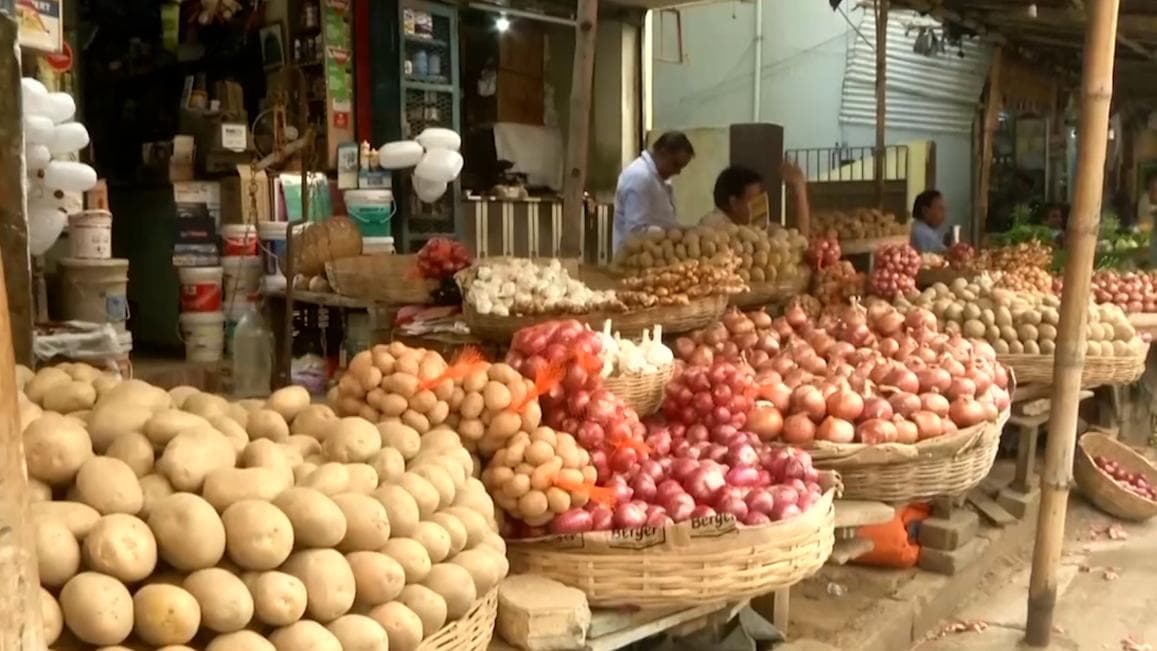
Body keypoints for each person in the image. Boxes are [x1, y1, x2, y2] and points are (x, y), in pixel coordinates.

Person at [612, 131, 695, 253]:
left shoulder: (660, 178)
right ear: (663, 152)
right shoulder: (639, 177)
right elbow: (636, 231)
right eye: (675, 164)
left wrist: (680, 231)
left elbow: (663, 220)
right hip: (636, 257)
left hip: (658, 254)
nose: (678, 172)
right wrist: (672, 232)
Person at [700, 160, 811, 231]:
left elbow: (798, 242)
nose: (761, 205)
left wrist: (799, 188)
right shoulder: (713, 227)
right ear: (734, 203)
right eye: (755, 199)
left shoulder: (750, 226)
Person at [910, 189, 947, 253]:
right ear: (925, 211)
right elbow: (943, 253)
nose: (944, 213)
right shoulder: (922, 232)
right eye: (940, 209)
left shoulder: (922, 227)